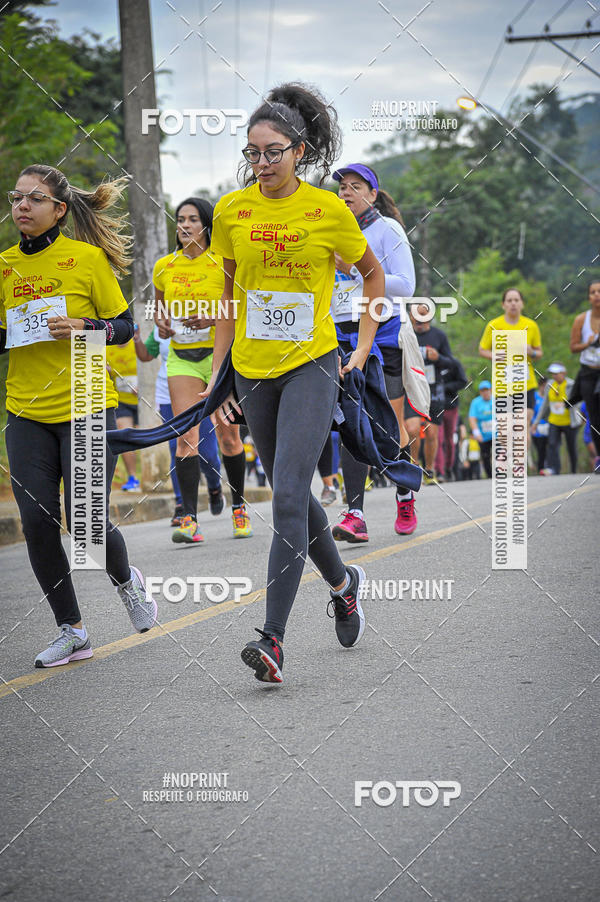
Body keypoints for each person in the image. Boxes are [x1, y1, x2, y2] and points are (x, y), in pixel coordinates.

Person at [205, 82, 386, 683]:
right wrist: (218, 374)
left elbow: (373, 275)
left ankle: (273, 639)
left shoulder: (328, 211)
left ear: (299, 151)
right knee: (292, 497)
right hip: (252, 370)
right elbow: (228, 296)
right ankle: (343, 584)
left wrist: (362, 346)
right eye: (252, 153)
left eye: (273, 152)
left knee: (286, 496)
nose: (261, 163)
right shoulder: (232, 211)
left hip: (312, 364)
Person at [0, 164, 157, 668]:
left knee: (86, 522)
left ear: (59, 210)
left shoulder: (87, 260)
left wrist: (86, 326)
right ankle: (72, 630)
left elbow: (124, 327)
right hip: (26, 407)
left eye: (34, 198)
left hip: (86, 397)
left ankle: (127, 582)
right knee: (37, 520)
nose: (22, 206)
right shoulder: (4, 265)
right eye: (17, 197)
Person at [153, 197, 252, 544]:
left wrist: (213, 319)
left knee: (228, 436)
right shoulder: (164, 266)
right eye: (180, 219)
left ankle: (239, 507)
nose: (184, 225)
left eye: (193, 219)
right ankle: (190, 520)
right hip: (181, 357)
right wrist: (161, 324)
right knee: (186, 438)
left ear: (207, 226)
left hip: (218, 357)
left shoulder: (223, 263)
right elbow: (159, 311)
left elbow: (240, 308)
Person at [328, 163, 417, 539]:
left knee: (387, 424)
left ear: (372, 194)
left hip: (383, 334)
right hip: (340, 335)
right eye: (342, 187)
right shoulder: (331, 230)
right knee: (351, 422)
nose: (346, 193)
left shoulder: (387, 229)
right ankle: (355, 514)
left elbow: (406, 285)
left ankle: (405, 492)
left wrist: (356, 271)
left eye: (355, 186)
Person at [133, 322, 186, 523]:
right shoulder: (160, 326)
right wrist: (137, 339)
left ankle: (215, 487)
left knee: (206, 451)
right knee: (176, 446)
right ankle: (181, 505)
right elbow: (146, 355)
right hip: (167, 393)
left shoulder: (200, 316)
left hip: (197, 389)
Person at [404, 304, 457, 484]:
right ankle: (414, 467)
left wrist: (438, 358)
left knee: (432, 433)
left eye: (423, 314)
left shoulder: (439, 336)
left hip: (433, 390)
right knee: (412, 429)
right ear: (411, 316)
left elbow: (451, 363)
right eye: (416, 315)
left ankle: (429, 470)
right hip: (411, 388)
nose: (419, 319)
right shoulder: (405, 334)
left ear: (429, 316)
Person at [479, 288, 543, 435]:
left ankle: (523, 449)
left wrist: (532, 352)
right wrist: (494, 355)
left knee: (522, 425)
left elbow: (539, 353)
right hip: (503, 384)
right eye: (509, 300)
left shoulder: (531, 325)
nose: (513, 303)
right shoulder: (494, 325)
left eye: (516, 300)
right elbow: (482, 349)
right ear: (503, 305)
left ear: (522, 304)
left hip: (526, 383)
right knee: (505, 430)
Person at [569, 280, 600, 473]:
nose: (596, 295)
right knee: (594, 417)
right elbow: (573, 347)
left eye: (599, 291)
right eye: (593, 292)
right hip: (588, 372)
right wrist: (587, 343)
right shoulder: (581, 319)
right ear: (588, 297)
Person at [531, 363, 579, 475]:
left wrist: (564, 404)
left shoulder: (571, 384)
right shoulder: (549, 385)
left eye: (557, 373)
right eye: (553, 374)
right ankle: (555, 469)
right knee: (552, 444)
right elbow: (544, 405)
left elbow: (577, 401)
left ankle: (573, 470)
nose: (554, 376)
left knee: (571, 446)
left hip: (569, 421)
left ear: (563, 373)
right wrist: (536, 422)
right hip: (554, 421)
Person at [106, 335, 140, 491]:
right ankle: (133, 477)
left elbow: (151, 364)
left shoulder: (137, 345)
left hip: (145, 401)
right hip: (122, 401)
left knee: (149, 437)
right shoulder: (107, 349)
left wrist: (143, 386)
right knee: (125, 434)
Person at [435, 353, 468, 481]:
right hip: (435, 406)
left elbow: (463, 381)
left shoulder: (453, 362)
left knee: (449, 439)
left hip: (451, 406)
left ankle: (449, 467)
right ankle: (439, 471)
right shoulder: (430, 362)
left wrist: (445, 387)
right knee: (437, 439)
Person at [468, 380, 494, 479]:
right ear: (480, 392)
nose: (485, 392)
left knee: (500, 453)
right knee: (485, 456)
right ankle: (490, 476)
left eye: (487, 390)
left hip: (496, 434)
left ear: (490, 390)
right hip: (483, 435)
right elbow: (472, 419)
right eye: (483, 391)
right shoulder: (476, 402)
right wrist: (476, 433)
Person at [531, 376, 549, 473]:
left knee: (550, 449)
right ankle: (541, 469)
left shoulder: (550, 396)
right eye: (544, 386)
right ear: (540, 386)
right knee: (540, 450)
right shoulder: (534, 397)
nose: (545, 389)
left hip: (549, 427)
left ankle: (550, 469)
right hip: (536, 428)